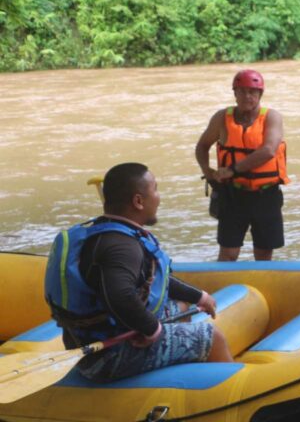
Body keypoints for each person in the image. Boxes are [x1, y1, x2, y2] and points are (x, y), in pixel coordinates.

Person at [43, 163, 232, 382]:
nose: (159, 197)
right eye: (155, 189)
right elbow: (120, 296)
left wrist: (198, 296)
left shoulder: (105, 233)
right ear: (138, 201)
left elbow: (150, 281)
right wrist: (153, 331)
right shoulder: (122, 246)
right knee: (212, 337)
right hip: (109, 357)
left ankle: (175, 375)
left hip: (97, 341)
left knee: (182, 307)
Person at [196, 70, 288, 261]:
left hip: (266, 194)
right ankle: (221, 287)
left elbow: (269, 150)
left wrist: (231, 170)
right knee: (228, 252)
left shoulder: (272, 118)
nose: (247, 96)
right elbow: (202, 146)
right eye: (242, 91)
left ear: (260, 94)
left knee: (264, 253)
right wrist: (208, 171)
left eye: (253, 92)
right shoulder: (222, 118)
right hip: (233, 195)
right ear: (235, 93)